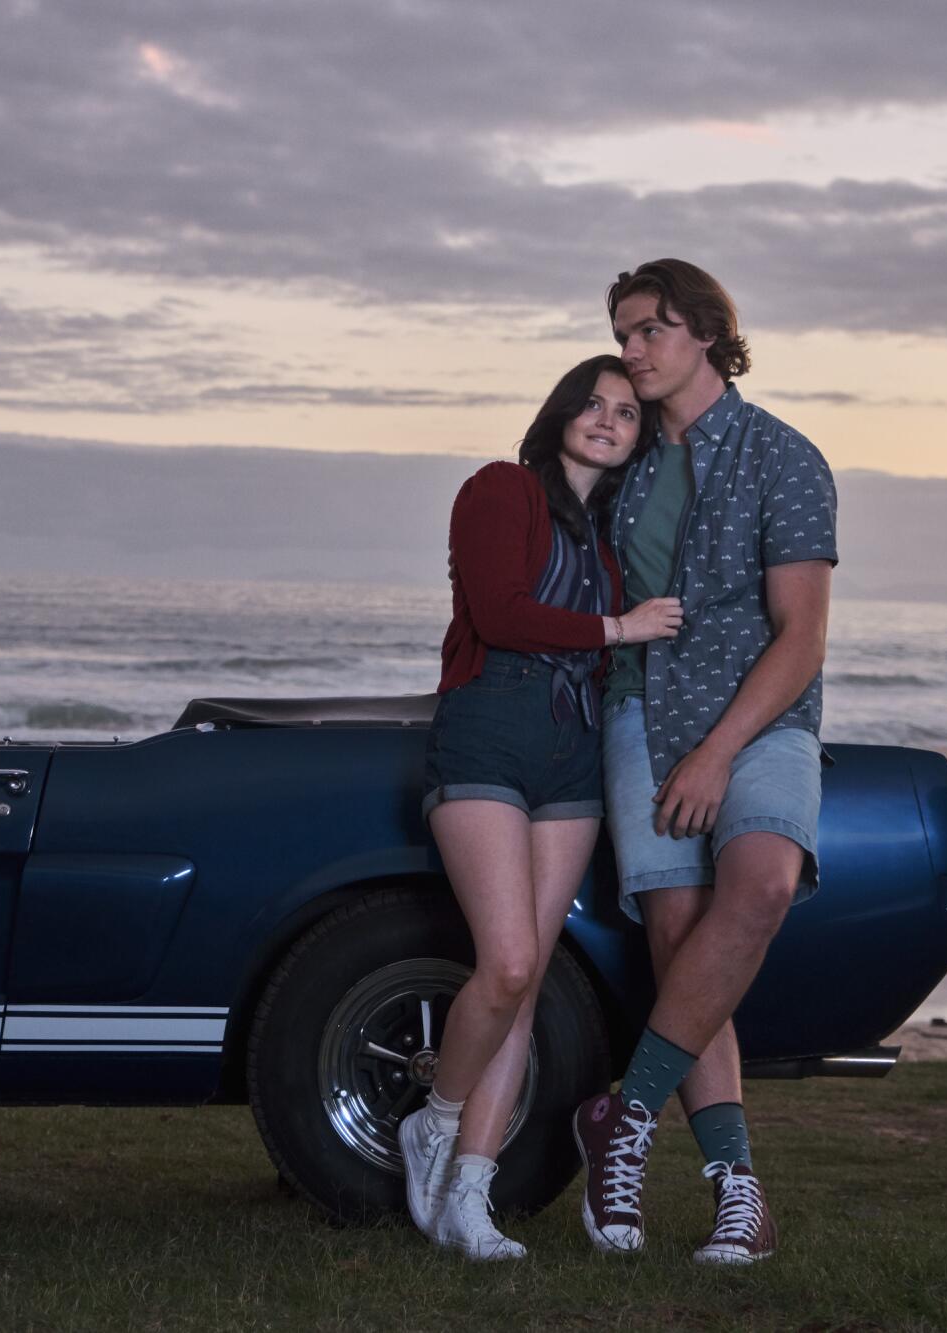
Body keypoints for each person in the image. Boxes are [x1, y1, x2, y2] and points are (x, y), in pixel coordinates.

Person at [570, 259, 837, 1265]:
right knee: (684, 955)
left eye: (645, 331)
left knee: (761, 883)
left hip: (757, 724)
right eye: (622, 332)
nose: (629, 350)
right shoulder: (621, 463)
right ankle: (737, 1191)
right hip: (639, 719)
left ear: (702, 335)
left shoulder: (783, 457)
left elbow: (798, 634)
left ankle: (620, 1119)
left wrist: (719, 753)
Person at [401, 355, 684, 1261]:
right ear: (562, 412)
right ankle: (434, 1123)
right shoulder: (500, 489)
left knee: (527, 991)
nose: (608, 419)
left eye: (628, 413)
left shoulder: (607, 542)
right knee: (511, 963)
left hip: (573, 751)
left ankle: (472, 1195)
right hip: (488, 729)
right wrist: (621, 626)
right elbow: (499, 610)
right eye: (594, 404)